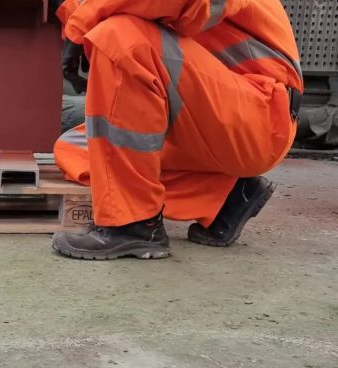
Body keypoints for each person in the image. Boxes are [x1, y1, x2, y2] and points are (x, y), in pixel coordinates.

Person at [49, 0, 304, 260]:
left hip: (261, 117)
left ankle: (134, 224)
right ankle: (224, 197)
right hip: (207, 118)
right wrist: (70, 11)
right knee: (77, 149)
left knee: (120, 37)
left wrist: (81, 24)